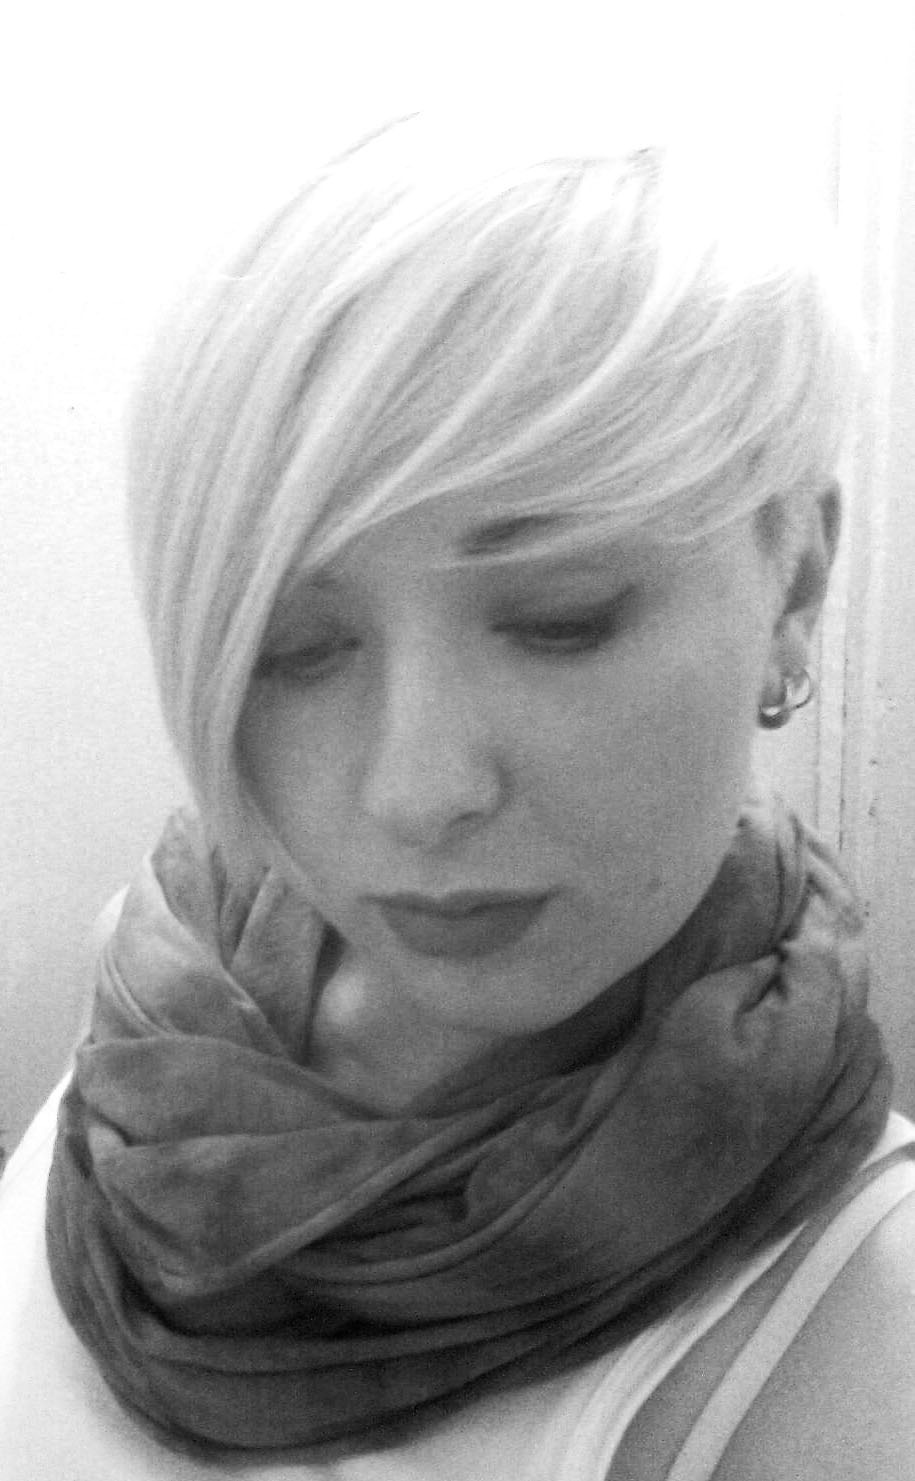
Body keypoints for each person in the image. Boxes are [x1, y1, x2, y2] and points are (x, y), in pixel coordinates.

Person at [1, 108, 914, 1480]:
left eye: (562, 618)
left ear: (794, 581)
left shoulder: (862, 1332)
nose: (418, 791)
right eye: (294, 646)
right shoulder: (160, 995)